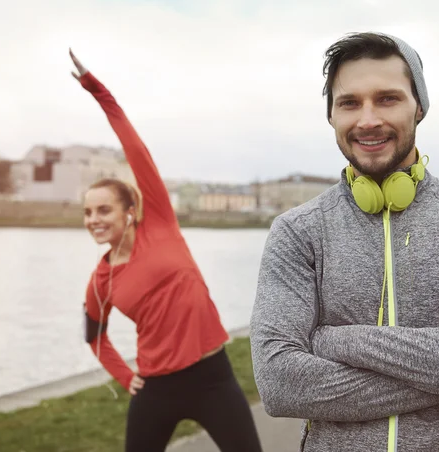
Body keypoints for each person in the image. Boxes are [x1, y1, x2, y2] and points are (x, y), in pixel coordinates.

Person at [250, 32, 439, 452]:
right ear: (331, 116)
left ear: (419, 107)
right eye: (349, 103)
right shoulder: (298, 231)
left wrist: (336, 340)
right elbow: (280, 384)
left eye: (387, 98)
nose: (367, 119)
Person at [71, 50, 263, 452]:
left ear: (130, 210)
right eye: (88, 212)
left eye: (103, 209)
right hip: (156, 387)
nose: (94, 219)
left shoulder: (158, 223)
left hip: (213, 377)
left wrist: (99, 91)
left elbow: (134, 148)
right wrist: (126, 377)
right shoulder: (100, 281)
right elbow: (95, 336)